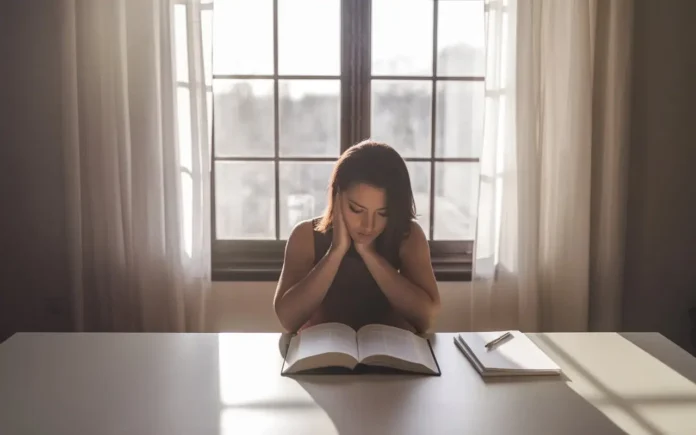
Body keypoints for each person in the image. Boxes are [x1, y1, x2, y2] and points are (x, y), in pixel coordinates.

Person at [273, 140, 440, 334]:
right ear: (337, 196)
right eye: (356, 210)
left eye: (382, 213)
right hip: (321, 353)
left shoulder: (407, 236)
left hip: (390, 352)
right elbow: (287, 319)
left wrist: (368, 254)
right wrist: (335, 252)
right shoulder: (306, 236)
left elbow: (427, 318)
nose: (369, 225)